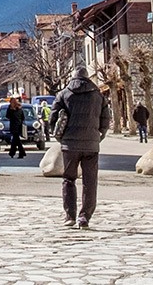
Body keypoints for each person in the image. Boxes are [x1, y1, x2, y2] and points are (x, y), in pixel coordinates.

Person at [51, 66, 111, 229]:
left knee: (69, 179)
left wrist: (59, 136)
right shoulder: (97, 95)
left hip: (70, 144)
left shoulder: (64, 94)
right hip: (91, 144)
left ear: (73, 77)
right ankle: (84, 217)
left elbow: (53, 117)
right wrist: (100, 134)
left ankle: (70, 215)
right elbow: (106, 117)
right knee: (90, 181)